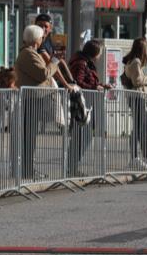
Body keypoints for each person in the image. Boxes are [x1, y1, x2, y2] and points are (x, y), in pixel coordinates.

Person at [15, 24, 61, 178]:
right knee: (28, 137)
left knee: (31, 137)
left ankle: (29, 169)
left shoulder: (31, 53)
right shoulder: (28, 54)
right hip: (31, 100)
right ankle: (26, 171)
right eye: (41, 37)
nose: (43, 40)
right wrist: (54, 61)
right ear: (36, 39)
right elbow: (43, 74)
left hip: (34, 99)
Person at [67, 41, 108, 176]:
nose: (100, 56)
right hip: (80, 104)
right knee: (81, 137)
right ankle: (71, 168)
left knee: (84, 137)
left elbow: (87, 81)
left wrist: (100, 85)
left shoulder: (85, 63)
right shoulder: (81, 63)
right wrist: (95, 88)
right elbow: (78, 83)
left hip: (85, 103)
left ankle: (72, 168)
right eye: (99, 53)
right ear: (94, 53)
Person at [122, 38, 147, 168]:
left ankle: (145, 156)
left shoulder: (133, 61)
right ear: (142, 49)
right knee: (139, 129)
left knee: (141, 128)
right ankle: (135, 158)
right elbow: (137, 81)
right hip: (137, 98)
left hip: (137, 98)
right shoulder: (136, 62)